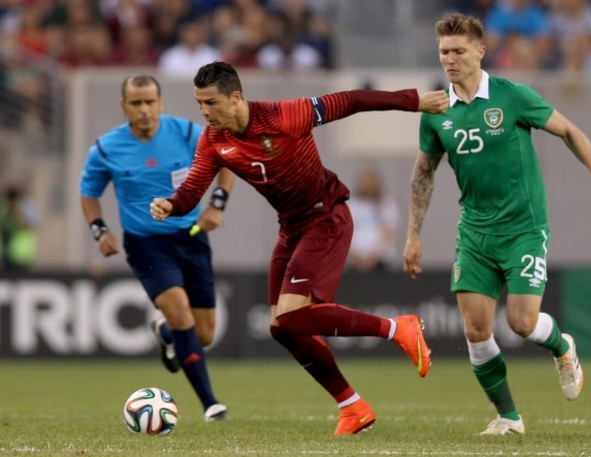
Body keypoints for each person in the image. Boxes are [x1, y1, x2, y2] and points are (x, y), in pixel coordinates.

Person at [150, 61, 449, 435]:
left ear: (236, 97)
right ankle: (352, 407)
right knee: (282, 328)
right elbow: (193, 189)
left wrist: (413, 100)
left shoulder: (284, 116)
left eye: (210, 103)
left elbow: (352, 100)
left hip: (327, 218)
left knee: (291, 317)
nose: (204, 113)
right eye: (199, 104)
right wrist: (172, 205)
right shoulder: (214, 140)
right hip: (291, 228)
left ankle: (397, 328)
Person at [403, 13, 591, 436]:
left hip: (524, 228)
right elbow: (424, 172)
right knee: (475, 329)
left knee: (522, 323)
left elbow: (570, 131)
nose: (450, 60)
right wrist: (413, 234)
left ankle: (563, 347)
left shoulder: (512, 97)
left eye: (458, 51)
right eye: (443, 53)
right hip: (474, 231)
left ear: (480, 51)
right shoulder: (435, 111)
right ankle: (509, 417)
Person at [79, 75, 236, 422]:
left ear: (161, 103)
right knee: (180, 312)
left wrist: (217, 204)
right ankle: (211, 403)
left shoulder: (187, 134)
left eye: (150, 102)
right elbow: (88, 193)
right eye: (136, 103)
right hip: (146, 243)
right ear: (124, 107)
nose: (145, 110)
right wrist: (99, 230)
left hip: (191, 236)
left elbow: (226, 161)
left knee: (203, 333)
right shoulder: (105, 149)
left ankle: (165, 332)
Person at [347, 167, 400, 272]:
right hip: (356, 259)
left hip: (380, 259)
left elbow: (389, 230)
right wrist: (352, 254)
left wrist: (374, 255)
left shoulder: (385, 204)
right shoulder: (352, 205)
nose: (367, 185)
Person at [0, 181, 39, 272]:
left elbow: (30, 224)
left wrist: (16, 211)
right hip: (4, 256)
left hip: (20, 256)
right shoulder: (3, 205)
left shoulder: (25, 204)